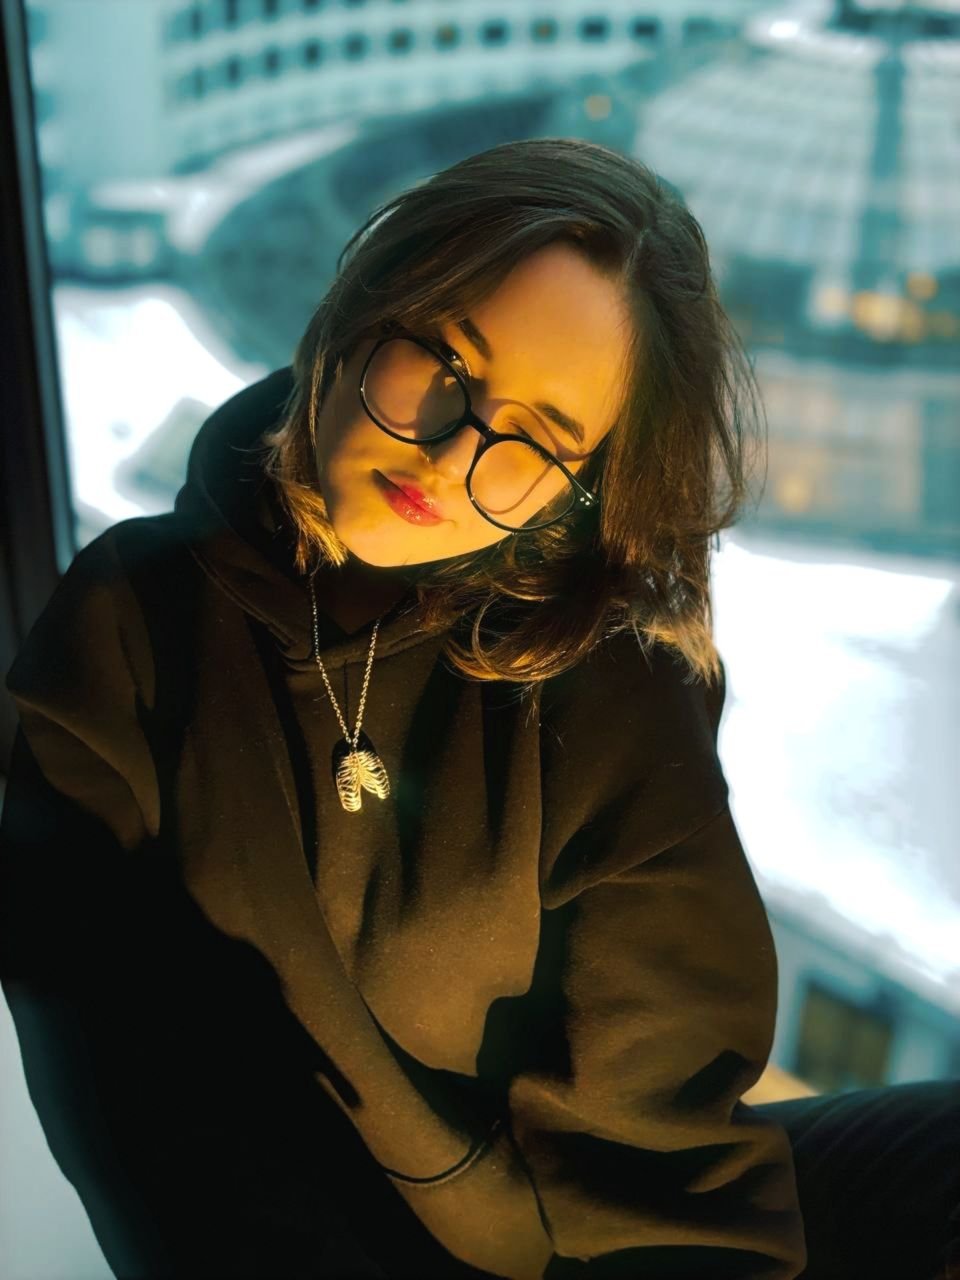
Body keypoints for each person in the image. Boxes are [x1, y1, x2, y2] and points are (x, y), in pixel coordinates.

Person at [0, 137, 955, 1280]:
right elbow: (139, 1109)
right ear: (364, 302)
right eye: (444, 361)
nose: (456, 453)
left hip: (580, 1232)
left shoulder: (606, 674)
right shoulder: (129, 623)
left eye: (538, 439)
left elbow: (661, 1146)